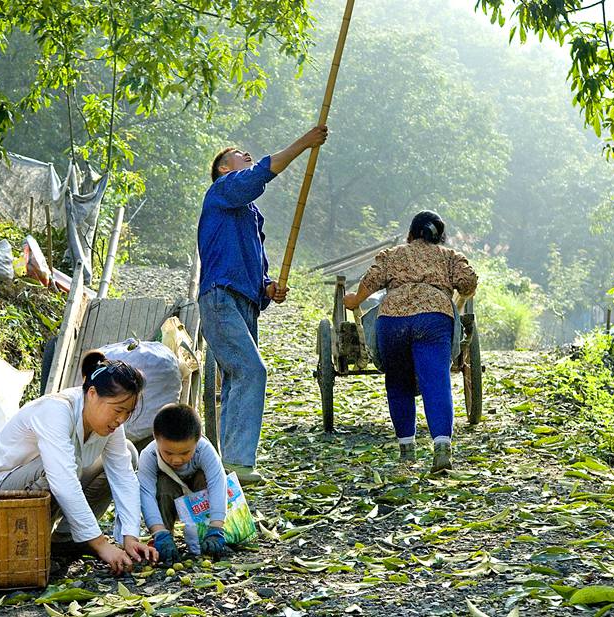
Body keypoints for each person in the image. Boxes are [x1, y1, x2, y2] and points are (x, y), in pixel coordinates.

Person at [198, 125, 329, 484]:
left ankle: (228, 465)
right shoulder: (223, 190)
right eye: (239, 155)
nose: (247, 156)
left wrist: (268, 287)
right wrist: (305, 142)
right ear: (225, 168)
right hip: (220, 296)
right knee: (251, 371)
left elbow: (257, 268)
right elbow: (261, 174)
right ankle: (237, 463)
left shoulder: (250, 216)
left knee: (238, 377)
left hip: (243, 301)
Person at [0, 352, 158, 574]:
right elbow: (63, 481)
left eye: (127, 413)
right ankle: (28, 548)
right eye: (117, 410)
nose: (121, 420)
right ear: (92, 394)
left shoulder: (110, 426)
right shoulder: (56, 410)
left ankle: (64, 540)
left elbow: (123, 475)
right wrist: (101, 545)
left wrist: (130, 536)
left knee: (128, 452)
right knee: (54, 468)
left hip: (39, 489)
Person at [343, 211, 478, 473]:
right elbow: (468, 282)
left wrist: (355, 300)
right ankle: (441, 449)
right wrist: (461, 291)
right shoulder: (449, 257)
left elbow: (370, 281)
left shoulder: (393, 254)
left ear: (410, 233)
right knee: (436, 381)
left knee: (398, 383)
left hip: (393, 319)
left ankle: (407, 451)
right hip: (433, 317)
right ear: (439, 237)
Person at [138, 403, 228, 566]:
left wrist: (217, 526)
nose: (176, 460)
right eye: (168, 453)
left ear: (198, 439)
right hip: (170, 498)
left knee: (203, 478)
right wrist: (158, 531)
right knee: (163, 484)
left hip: (198, 498)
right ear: (155, 438)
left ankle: (206, 536)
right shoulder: (148, 455)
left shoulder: (204, 449)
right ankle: (165, 539)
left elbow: (217, 483)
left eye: (185, 453)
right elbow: (146, 494)